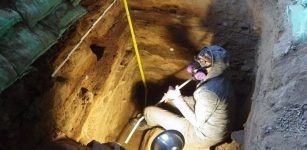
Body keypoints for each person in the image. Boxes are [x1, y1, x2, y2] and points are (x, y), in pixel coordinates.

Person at [140, 45, 234, 148]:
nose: (198, 64)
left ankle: (147, 120)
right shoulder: (220, 77)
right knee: (171, 100)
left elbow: (197, 122)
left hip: (201, 136)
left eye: (205, 62)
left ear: (216, 66)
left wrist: (177, 98)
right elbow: (201, 102)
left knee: (149, 111)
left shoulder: (207, 92)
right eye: (199, 59)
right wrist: (175, 99)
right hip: (218, 126)